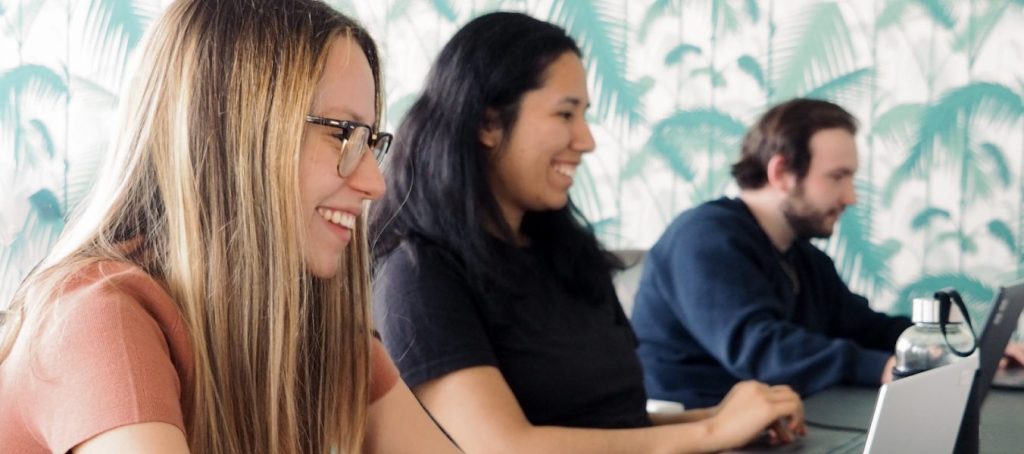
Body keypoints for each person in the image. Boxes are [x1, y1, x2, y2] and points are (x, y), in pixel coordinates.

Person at [0, 1, 457, 453]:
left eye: (371, 141)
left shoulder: (315, 328)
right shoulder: (99, 321)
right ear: (236, 136)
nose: (376, 183)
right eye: (343, 133)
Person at [370, 12, 804, 453]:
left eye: (584, 115)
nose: (586, 140)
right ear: (488, 124)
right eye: (565, 114)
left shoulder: (563, 252)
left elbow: (610, 424)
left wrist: (721, 418)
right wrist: (709, 434)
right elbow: (504, 447)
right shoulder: (417, 272)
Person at [629, 99, 915, 409]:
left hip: (777, 425)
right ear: (781, 172)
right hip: (698, 431)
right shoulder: (703, 238)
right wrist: (881, 368)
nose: (851, 196)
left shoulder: (803, 258)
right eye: (837, 177)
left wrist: (931, 343)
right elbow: (761, 351)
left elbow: (866, 328)